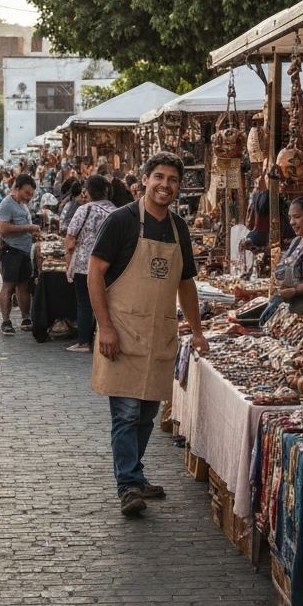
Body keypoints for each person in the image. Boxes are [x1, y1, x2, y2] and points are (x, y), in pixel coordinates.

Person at [88, 151, 209, 518]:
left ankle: (136, 476)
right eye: (159, 177)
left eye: (172, 180)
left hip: (159, 336)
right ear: (144, 179)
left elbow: (185, 283)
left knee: (145, 416)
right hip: (122, 334)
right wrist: (105, 326)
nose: (165, 185)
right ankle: (127, 486)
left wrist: (198, 330)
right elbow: (95, 273)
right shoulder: (121, 222)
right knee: (125, 414)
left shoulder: (178, 228)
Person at [65, 174, 116, 353]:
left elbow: (70, 240)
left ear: (87, 191)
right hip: (109, 265)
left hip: (83, 265)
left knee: (84, 303)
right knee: (107, 302)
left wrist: (68, 260)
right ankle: (104, 336)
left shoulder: (84, 210)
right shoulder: (115, 212)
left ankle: (84, 342)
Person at [0, 172, 40, 335]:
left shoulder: (22, 204)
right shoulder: (7, 204)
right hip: (10, 251)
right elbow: (3, 229)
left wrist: (31, 233)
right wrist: (29, 228)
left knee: (23, 285)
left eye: (31, 194)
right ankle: (6, 321)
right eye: (27, 193)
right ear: (17, 188)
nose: (29, 197)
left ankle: (25, 317)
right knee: (8, 286)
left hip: (23, 251)